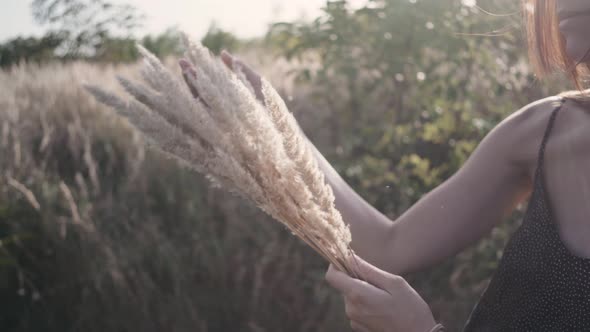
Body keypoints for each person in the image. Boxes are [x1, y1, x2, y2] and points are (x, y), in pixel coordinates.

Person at [180, 0, 590, 330]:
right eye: (561, 18)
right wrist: (280, 133)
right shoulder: (542, 132)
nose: (571, 54)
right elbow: (389, 248)